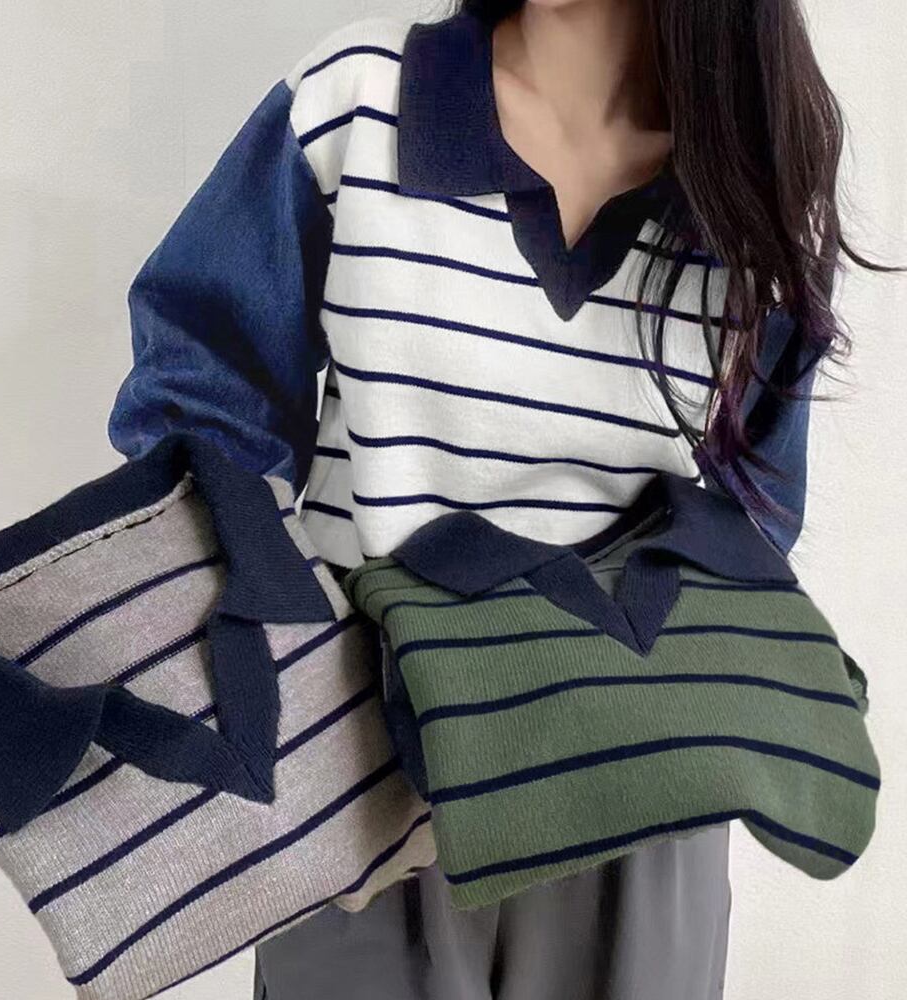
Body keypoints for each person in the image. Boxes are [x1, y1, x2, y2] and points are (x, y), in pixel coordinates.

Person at [106, 2, 898, 997]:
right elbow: (201, 399)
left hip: (644, 791)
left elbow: (756, 510)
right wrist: (277, 652)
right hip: (367, 772)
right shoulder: (362, 101)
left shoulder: (753, 173)